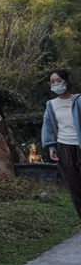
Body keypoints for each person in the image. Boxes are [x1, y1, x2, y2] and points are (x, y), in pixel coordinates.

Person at [41, 68, 81, 219]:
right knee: (75, 189)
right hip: (64, 148)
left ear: (66, 82)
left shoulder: (78, 100)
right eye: (52, 82)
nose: (56, 84)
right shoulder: (51, 105)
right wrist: (51, 146)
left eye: (59, 80)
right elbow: (48, 125)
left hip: (79, 146)